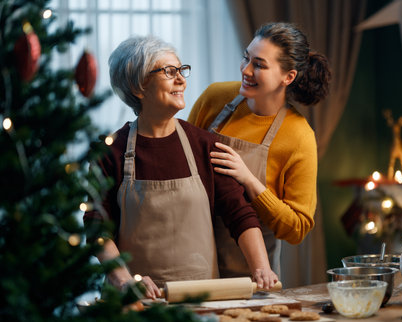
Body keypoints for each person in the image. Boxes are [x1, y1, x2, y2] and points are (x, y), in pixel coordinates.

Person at [84, 35, 278, 299]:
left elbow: (239, 214)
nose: (181, 80)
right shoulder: (110, 153)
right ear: (138, 86)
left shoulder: (205, 145)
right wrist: (124, 280)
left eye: (181, 70)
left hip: (202, 298)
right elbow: (97, 228)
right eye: (169, 71)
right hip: (138, 303)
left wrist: (261, 268)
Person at [188, 22, 331, 277]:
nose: (246, 70)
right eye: (246, 58)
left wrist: (249, 180)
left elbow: (297, 228)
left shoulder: (299, 136)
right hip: (191, 265)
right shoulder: (215, 97)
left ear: (288, 77)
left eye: (259, 65)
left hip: (251, 277)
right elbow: (182, 157)